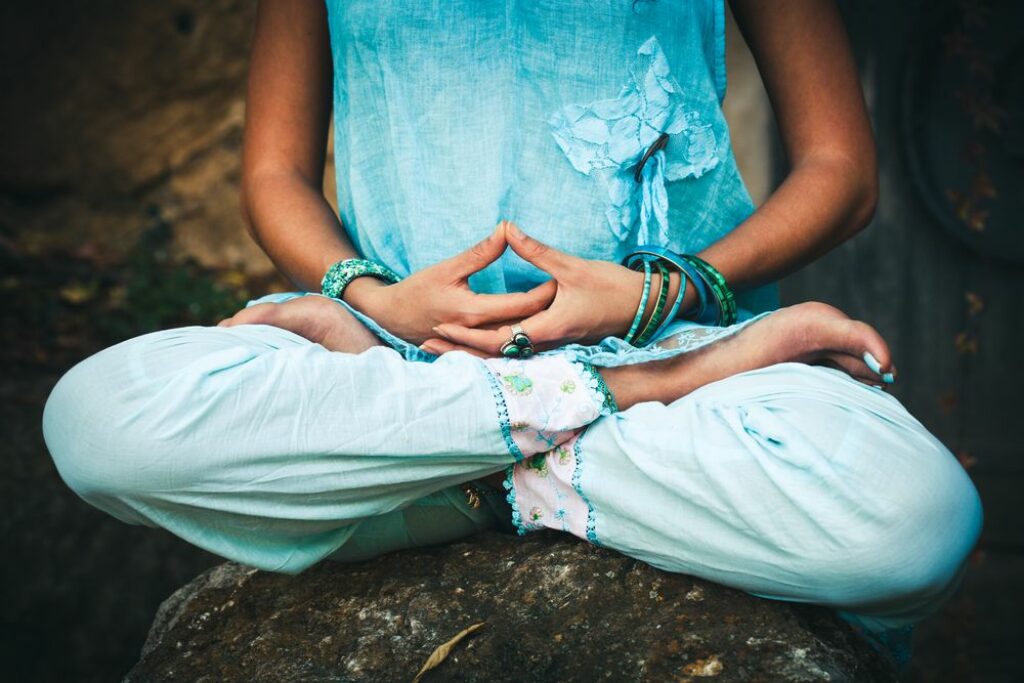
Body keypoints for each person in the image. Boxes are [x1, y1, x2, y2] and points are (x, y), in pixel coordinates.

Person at [42, 0, 980, 660]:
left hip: (680, 344)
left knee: (919, 519)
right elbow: (274, 174)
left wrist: (661, 295)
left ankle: (449, 474)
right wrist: (368, 298)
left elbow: (840, 168)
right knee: (93, 419)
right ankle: (570, 424)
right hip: (402, 361)